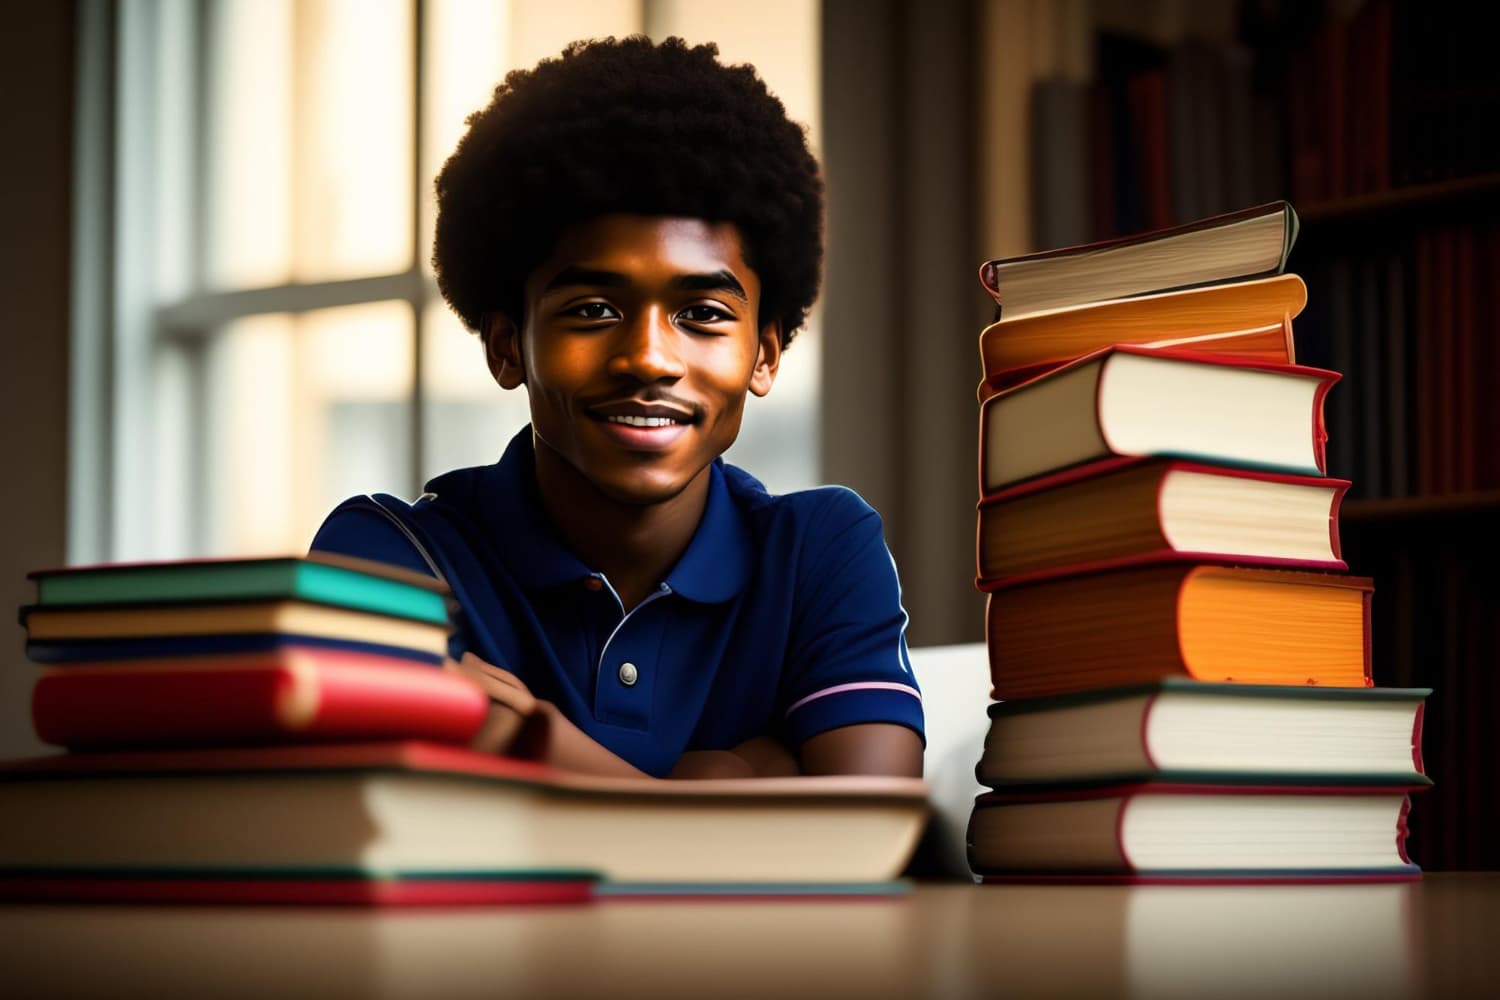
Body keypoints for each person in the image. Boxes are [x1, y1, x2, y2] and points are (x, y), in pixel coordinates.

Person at [311, 36, 923, 779]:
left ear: (765, 354)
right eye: (595, 309)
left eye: (702, 313)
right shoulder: (391, 558)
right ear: (508, 347)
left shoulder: (823, 551)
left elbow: (866, 831)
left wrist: (531, 739)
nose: (650, 358)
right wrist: (739, 778)